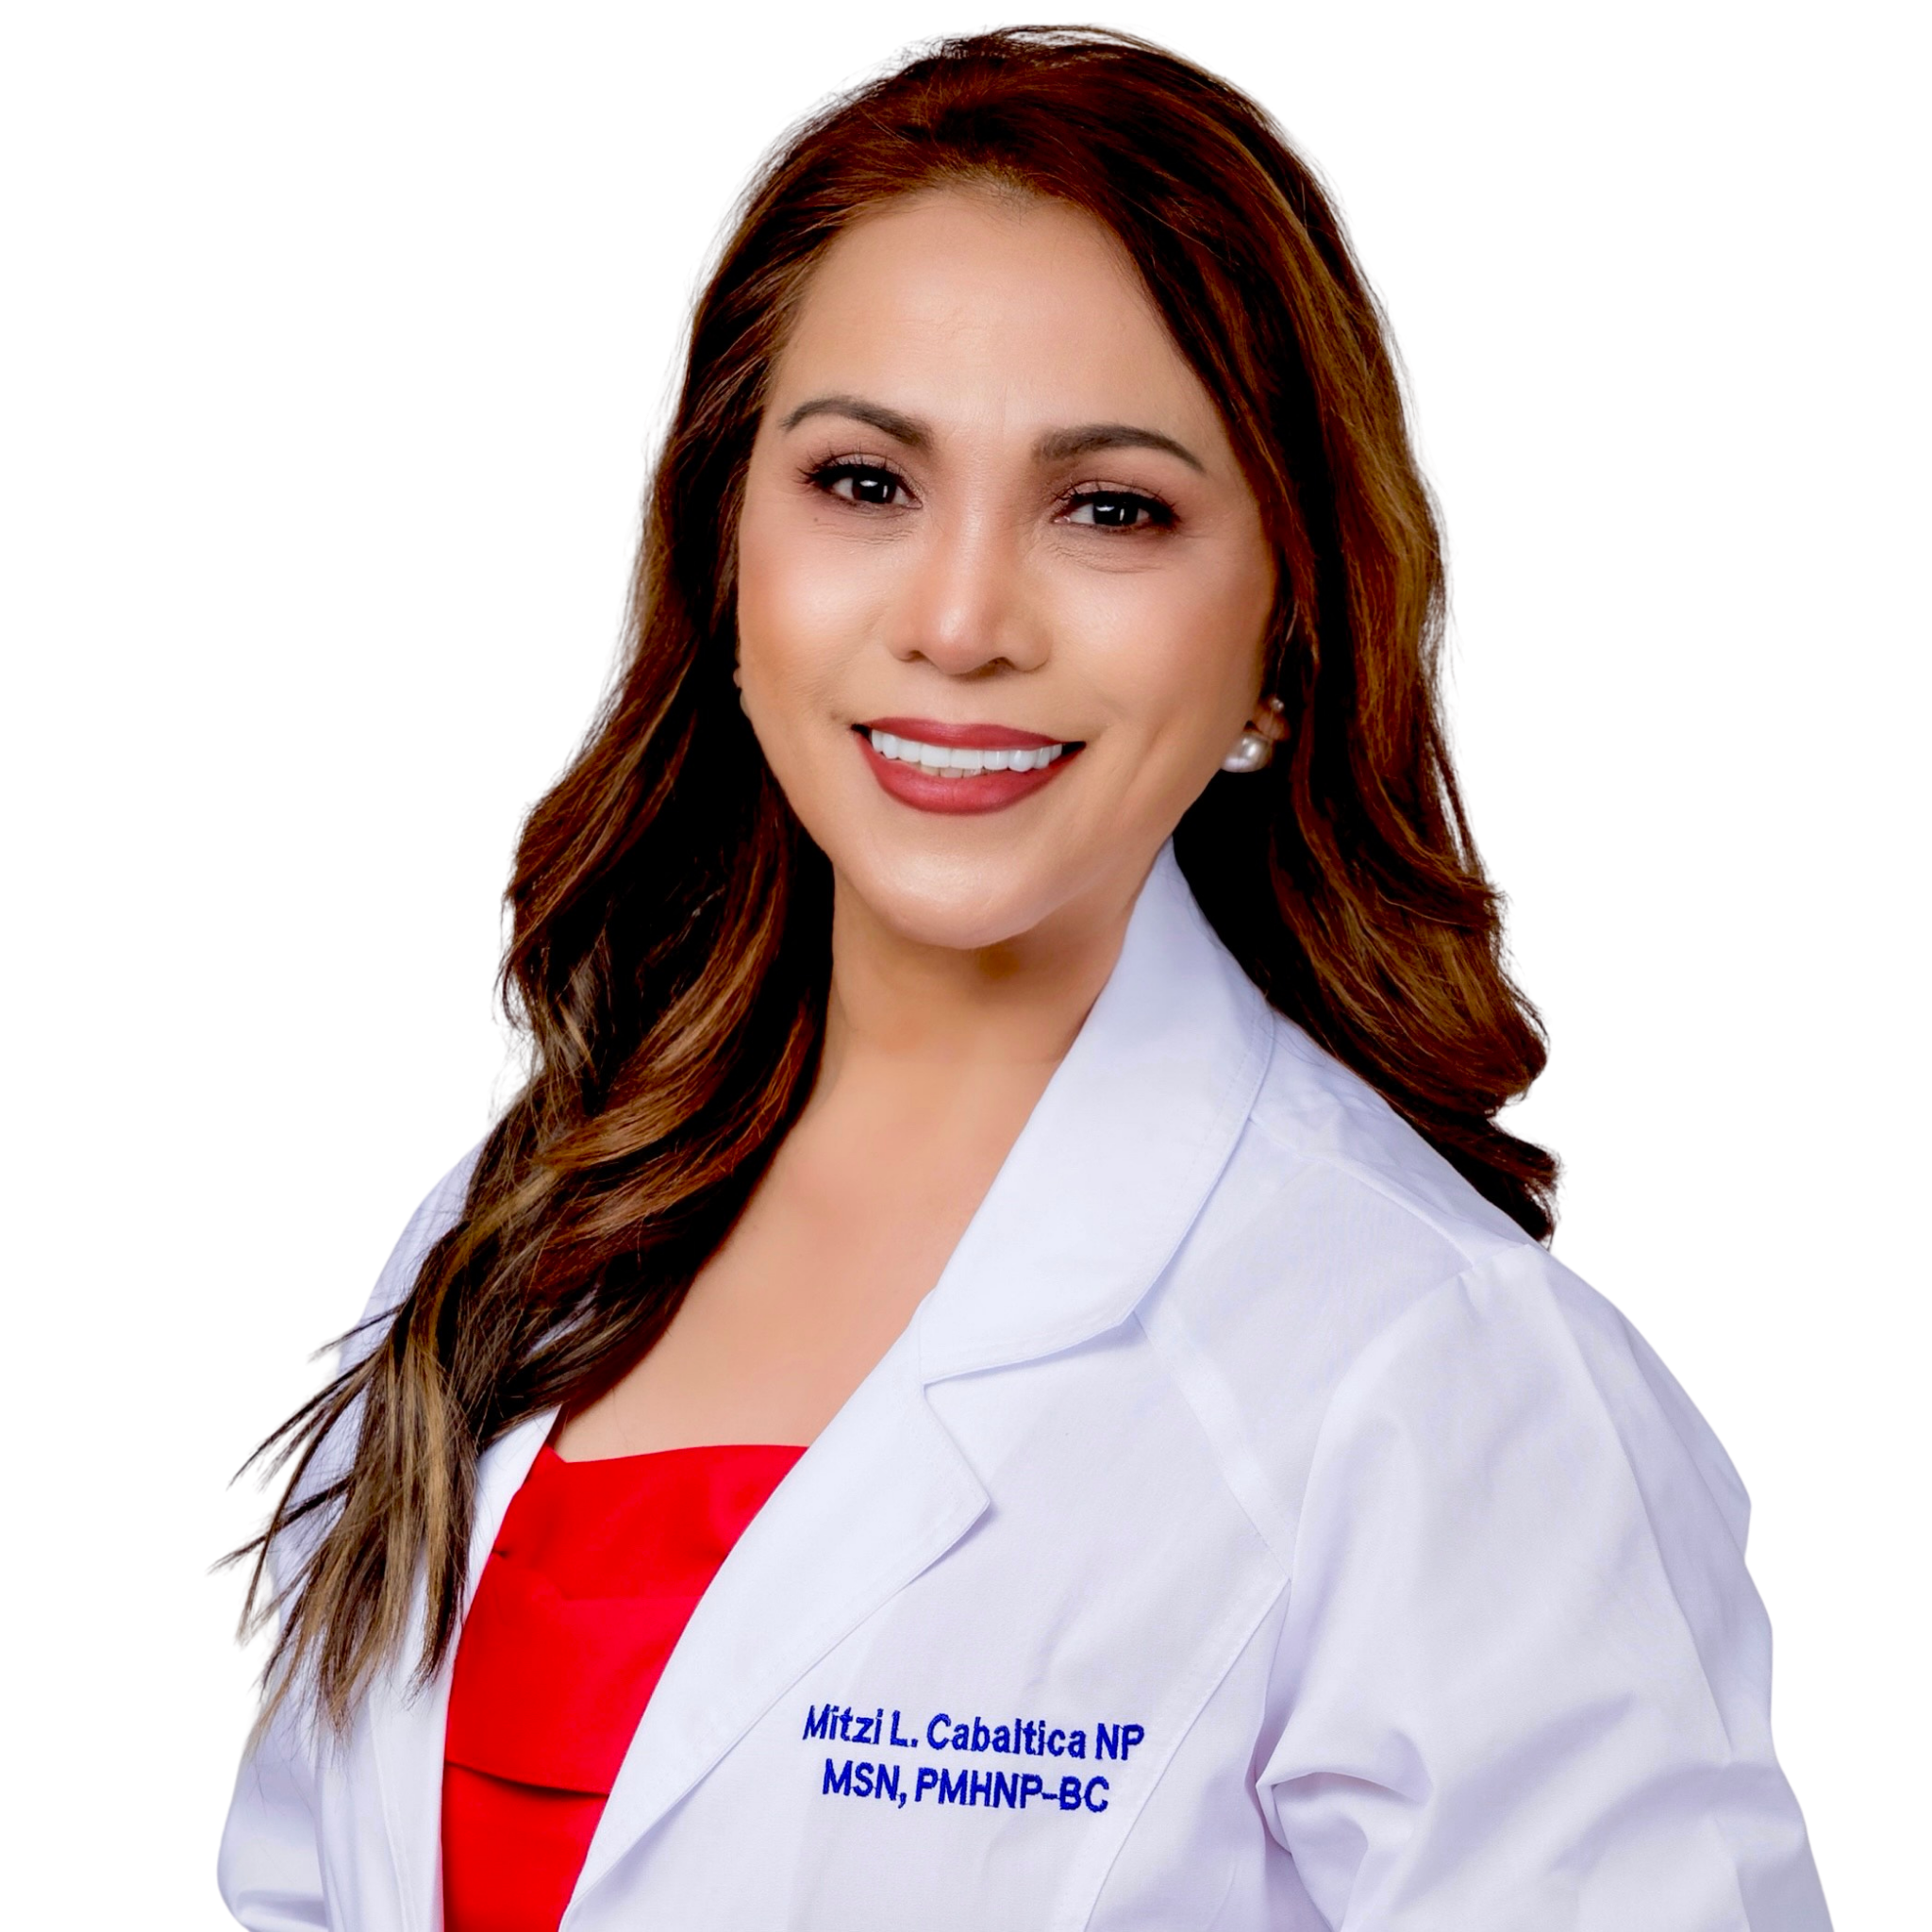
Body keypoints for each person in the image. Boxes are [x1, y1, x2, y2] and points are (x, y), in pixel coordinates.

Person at [209, 23, 1831, 1929]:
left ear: (1283, 638)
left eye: (1110, 508)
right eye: (863, 483)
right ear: (725, 550)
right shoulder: (505, 1233)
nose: (960, 620)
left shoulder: (1445, 1381)